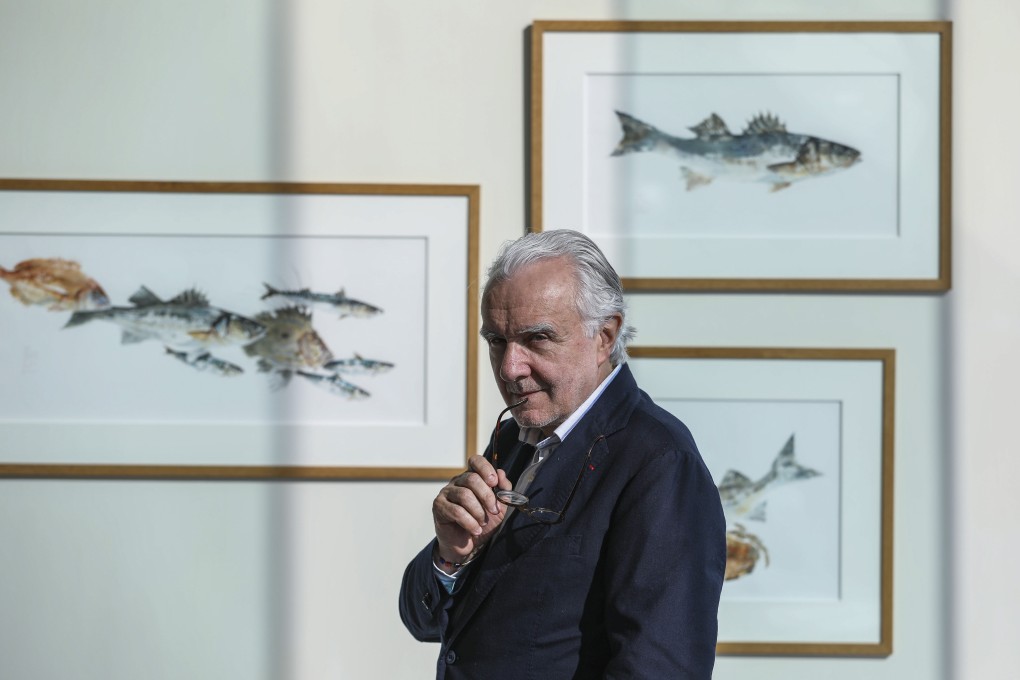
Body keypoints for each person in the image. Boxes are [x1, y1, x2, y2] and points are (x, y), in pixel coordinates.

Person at [399, 229, 726, 679]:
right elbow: (425, 622)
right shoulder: (514, 441)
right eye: (496, 340)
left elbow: (660, 669)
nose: (510, 367)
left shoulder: (659, 461)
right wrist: (451, 555)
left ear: (604, 337)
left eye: (537, 339)